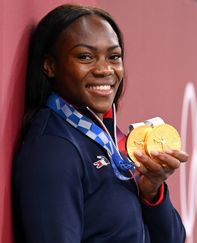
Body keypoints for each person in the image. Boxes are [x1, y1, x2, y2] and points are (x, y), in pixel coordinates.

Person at [13, 4, 187, 243]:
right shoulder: (53, 149)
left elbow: (172, 239)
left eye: (114, 57)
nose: (105, 69)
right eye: (85, 56)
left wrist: (151, 190)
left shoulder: (107, 136)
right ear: (50, 65)